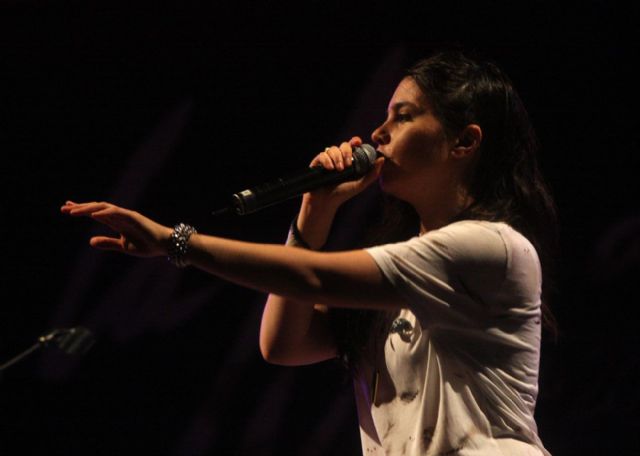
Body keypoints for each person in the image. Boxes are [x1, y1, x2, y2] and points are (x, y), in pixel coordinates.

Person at [61, 50, 556, 455]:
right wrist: (315, 210)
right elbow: (283, 344)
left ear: (464, 142)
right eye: (384, 117)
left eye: (403, 117)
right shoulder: (407, 266)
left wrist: (176, 241)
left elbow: (315, 278)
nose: (378, 133)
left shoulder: (491, 248)